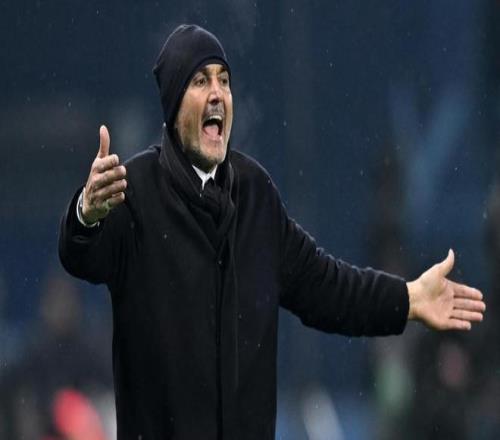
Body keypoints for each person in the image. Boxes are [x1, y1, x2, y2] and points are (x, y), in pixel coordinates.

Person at [58, 24, 485, 440]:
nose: (217, 93)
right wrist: (86, 212)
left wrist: (407, 299)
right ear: (173, 103)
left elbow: (328, 287)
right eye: (200, 81)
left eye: (224, 80)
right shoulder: (133, 189)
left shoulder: (255, 194)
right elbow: (79, 257)